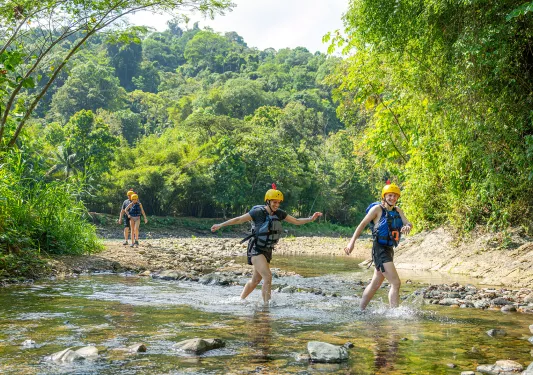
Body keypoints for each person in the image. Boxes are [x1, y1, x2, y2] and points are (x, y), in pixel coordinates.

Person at [211, 184, 322, 304]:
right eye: (274, 202)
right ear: (268, 201)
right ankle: (266, 307)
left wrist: (311, 218)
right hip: (256, 249)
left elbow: (296, 221)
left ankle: (239, 300)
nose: (277, 205)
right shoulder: (257, 212)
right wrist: (220, 225)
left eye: (278, 202)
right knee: (268, 277)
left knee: (255, 280)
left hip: (267, 250)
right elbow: (238, 219)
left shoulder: (279, 213)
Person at [344, 182, 412, 310]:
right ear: (384, 196)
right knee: (396, 283)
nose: (393, 198)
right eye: (390, 195)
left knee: (376, 283)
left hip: (389, 249)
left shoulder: (398, 210)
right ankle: (394, 313)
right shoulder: (377, 210)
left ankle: (360, 309)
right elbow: (362, 225)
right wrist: (351, 243)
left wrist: (408, 226)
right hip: (379, 250)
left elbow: (407, 223)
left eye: (395, 196)